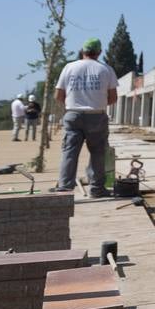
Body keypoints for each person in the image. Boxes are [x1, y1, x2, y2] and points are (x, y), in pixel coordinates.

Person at [51, 38, 119, 197]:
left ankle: (65, 187)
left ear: (82, 51)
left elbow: (58, 95)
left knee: (70, 151)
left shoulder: (69, 68)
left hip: (73, 115)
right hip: (97, 116)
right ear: (99, 52)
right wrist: (97, 102)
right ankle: (96, 189)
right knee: (98, 153)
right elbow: (113, 98)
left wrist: (72, 105)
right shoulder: (106, 69)